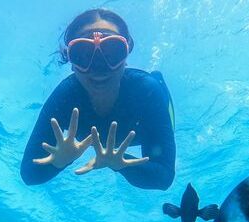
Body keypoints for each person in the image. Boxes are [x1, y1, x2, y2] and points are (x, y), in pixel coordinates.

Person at [20, 8, 176, 191]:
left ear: (126, 55)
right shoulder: (64, 97)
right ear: (71, 61)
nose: (99, 66)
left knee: (156, 85)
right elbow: (29, 173)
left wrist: (121, 164)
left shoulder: (147, 91)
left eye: (112, 51)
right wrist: (59, 161)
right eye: (83, 54)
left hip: (146, 123)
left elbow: (164, 177)